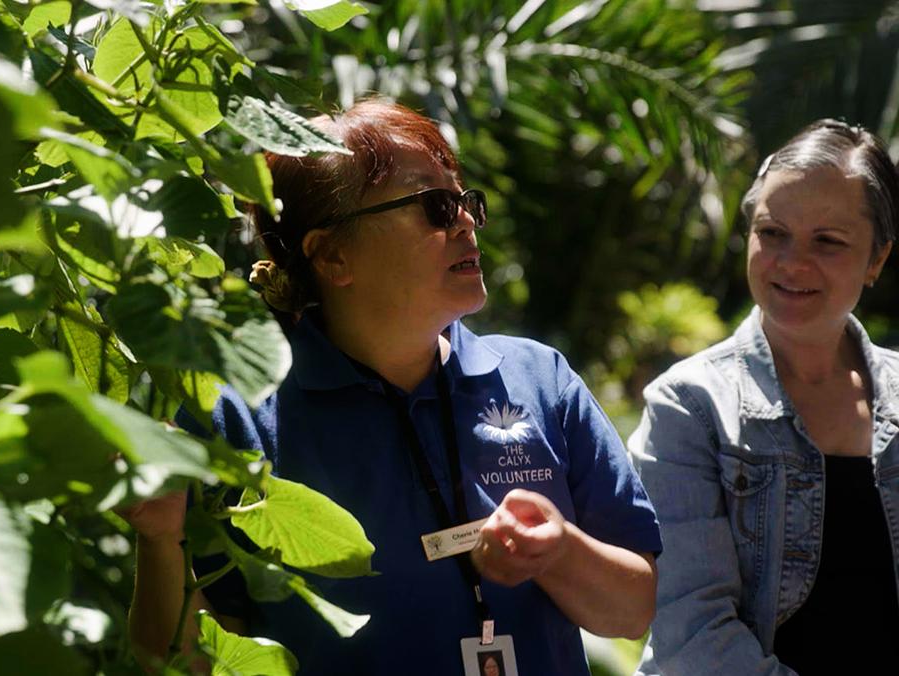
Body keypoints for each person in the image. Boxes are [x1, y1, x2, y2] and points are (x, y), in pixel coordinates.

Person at [125, 98, 662, 675]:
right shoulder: (239, 418)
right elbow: (183, 665)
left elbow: (632, 612)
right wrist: (160, 542)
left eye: (464, 201)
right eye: (435, 206)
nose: (465, 221)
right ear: (332, 256)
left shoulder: (540, 378)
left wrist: (559, 551)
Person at [631, 119, 899, 675]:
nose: (792, 263)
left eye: (828, 241)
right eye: (772, 233)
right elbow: (694, 636)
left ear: (877, 259)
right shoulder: (689, 406)